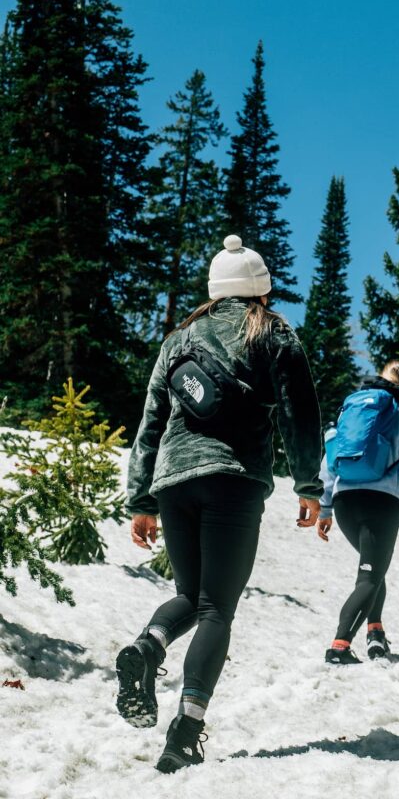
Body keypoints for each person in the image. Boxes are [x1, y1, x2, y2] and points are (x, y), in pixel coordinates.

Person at [118, 235, 324, 774]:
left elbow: (150, 423)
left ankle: (147, 646)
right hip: (234, 479)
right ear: (261, 289)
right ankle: (185, 733)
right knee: (217, 609)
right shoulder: (274, 332)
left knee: (190, 594)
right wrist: (308, 484)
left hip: (173, 480)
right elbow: (303, 413)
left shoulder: (177, 339)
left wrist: (141, 498)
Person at [317, 360, 399, 664]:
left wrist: (324, 506)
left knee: (374, 570)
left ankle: (375, 634)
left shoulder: (354, 405)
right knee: (369, 577)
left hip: (344, 501)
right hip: (382, 501)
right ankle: (339, 646)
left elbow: (331, 456)